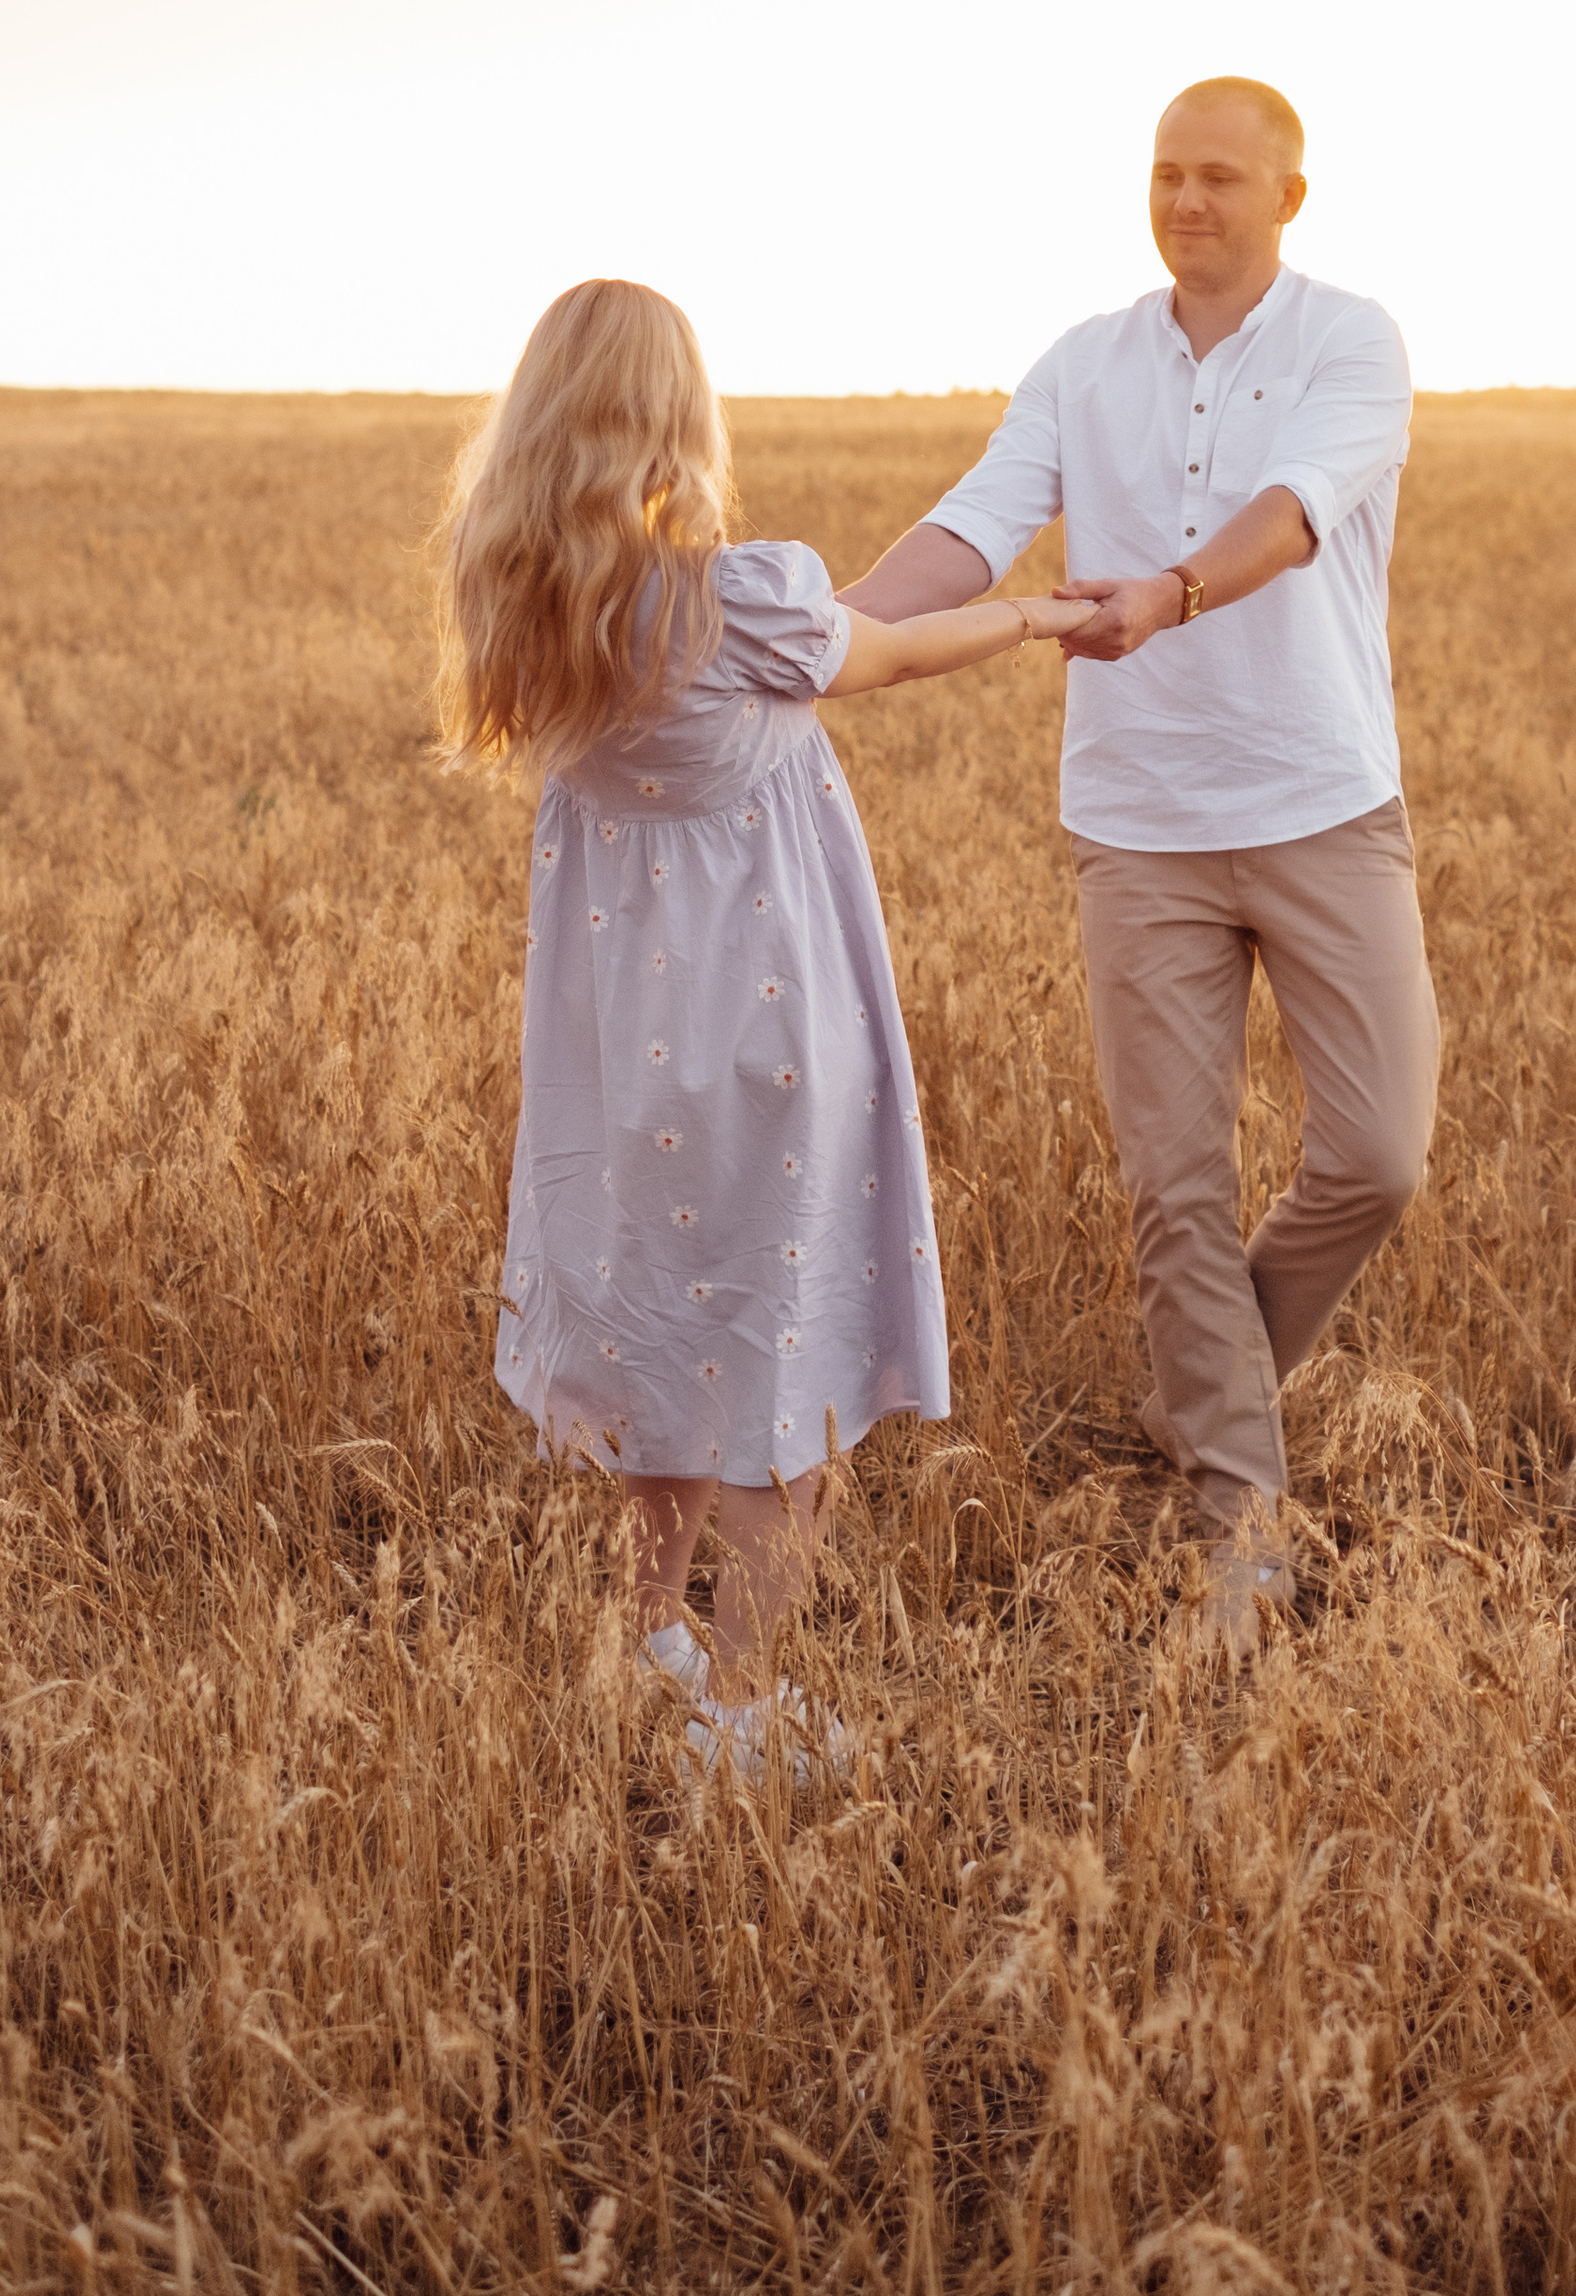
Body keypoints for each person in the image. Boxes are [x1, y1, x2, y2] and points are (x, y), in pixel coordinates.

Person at [435, 276, 1096, 1773]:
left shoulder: (527, 616)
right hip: (780, 1046)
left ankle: (649, 1639)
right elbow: (890, 650)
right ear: (682, 417)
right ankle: (739, 1707)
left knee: (667, 1339)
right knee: (781, 1373)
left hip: (618, 1061)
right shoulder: (747, 599)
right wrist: (1039, 612)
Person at [838, 78, 1439, 1652]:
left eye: (1222, 178)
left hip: (1321, 805)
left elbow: (1296, 516)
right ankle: (1239, 1531)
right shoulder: (1081, 364)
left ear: (1288, 196)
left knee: (1378, 1155)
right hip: (1138, 830)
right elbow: (974, 531)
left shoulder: (1347, 341)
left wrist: (1169, 594)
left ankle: (1199, 1389)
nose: (1189, 200)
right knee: (1177, 1191)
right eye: (1168, 174)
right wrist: (826, 634)